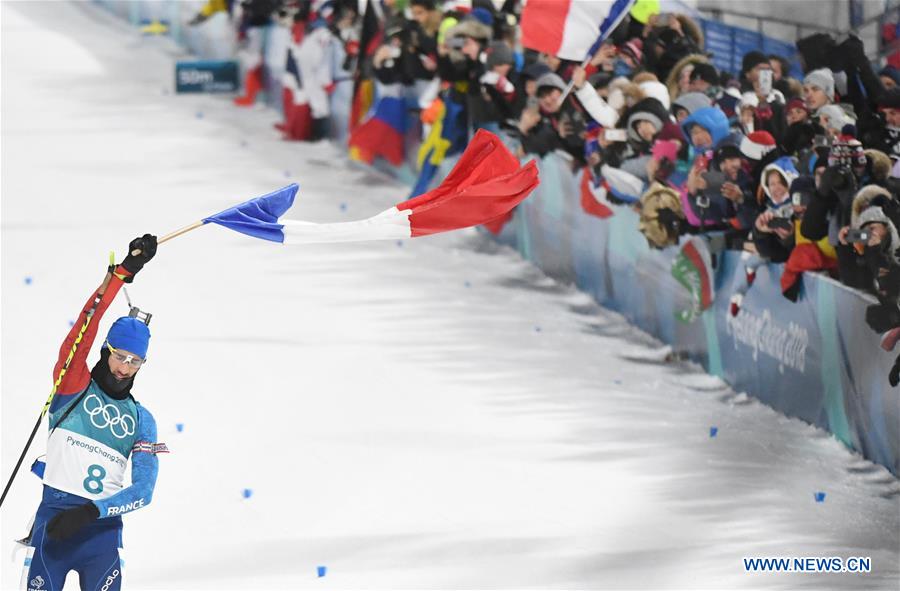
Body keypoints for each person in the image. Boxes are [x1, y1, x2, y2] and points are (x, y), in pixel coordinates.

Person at [24, 234, 164, 591]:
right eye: (120, 356)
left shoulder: (141, 418)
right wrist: (121, 274)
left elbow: (144, 491)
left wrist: (92, 512)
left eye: (135, 361)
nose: (125, 367)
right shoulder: (73, 385)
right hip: (53, 526)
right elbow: (86, 325)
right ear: (106, 350)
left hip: (101, 536)